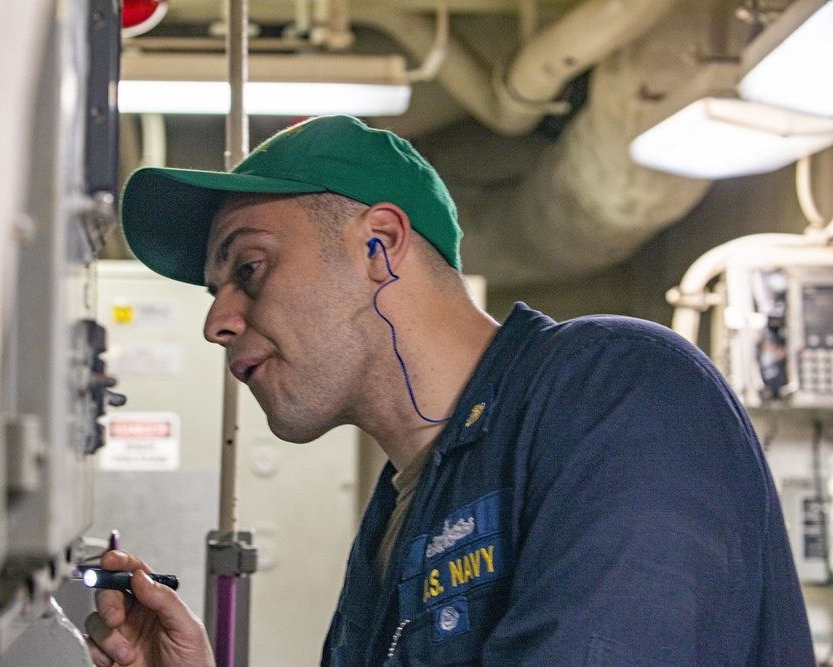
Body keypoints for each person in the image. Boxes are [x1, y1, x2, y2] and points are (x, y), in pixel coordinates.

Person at [85, 115, 814, 666]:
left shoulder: (617, 390)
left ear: (381, 244)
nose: (218, 320)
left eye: (249, 267)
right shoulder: (400, 515)